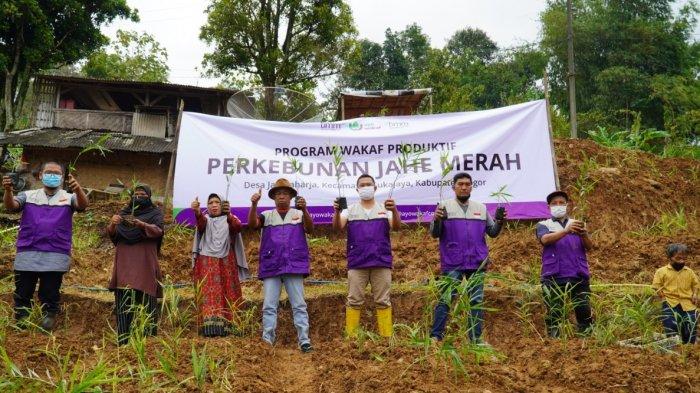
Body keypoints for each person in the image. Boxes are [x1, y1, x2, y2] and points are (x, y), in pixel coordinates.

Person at [3, 161, 88, 331]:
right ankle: (22, 318)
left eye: (57, 173)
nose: (53, 175)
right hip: (28, 249)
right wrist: (8, 190)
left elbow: (83, 206)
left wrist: (78, 189)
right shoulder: (29, 196)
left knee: (50, 290)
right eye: (49, 172)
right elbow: (11, 206)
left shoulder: (69, 197)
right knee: (23, 289)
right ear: (40, 175)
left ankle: (49, 316)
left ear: (62, 177)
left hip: (56, 252)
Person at [429, 172, 505, 344]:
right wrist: (437, 219)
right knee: (446, 298)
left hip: (477, 262)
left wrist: (500, 222)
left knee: (476, 300)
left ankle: (476, 339)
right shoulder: (444, 206)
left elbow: (492, 233)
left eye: (467, 184)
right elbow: (435, 233)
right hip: (453, 261)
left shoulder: (481, 208)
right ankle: (435, 336)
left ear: (471, 186)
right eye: (460, 184)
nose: (464, 187)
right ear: (454, 187)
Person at [248, 178, 314, 352]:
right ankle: (267, 340)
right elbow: (252, 224)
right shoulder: (266, 216)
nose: (282, 197)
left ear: (291, 196)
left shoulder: (299, 214)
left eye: (285, 193)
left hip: (294, 265)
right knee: (269, 306)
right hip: (272, 266)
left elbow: (310, 228)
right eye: (278, 194)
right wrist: (254, 205)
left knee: (299, 305)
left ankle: (304, 340)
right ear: (274, 198)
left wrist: (305, 209)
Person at [332, 174, 401, 338]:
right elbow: (337, 227)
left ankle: (386, 337)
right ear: (357, 189)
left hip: (381, 261)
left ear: (375, 188)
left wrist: (395, 210)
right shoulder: (350, 210)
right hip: (357, 262)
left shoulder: (385, 209)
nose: (365, 187)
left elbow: (396, 227)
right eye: (362, 185)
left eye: (368, 184)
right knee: (354, 300)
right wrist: (336, 211)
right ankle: (352, 338)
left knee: (383, 301)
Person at [106, 184, 164, 345]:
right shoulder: (123, 214)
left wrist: (141, 224)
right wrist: (112, 223)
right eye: (136, 193)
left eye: (142, 194)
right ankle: (123, 341)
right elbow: (113, 235)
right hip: (125, 263)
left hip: (145, 262)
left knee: (147, 302)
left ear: (149, 196)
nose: (138, 196)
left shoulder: (155, 213)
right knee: (124, 302)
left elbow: (159, 231)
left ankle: (149, 343)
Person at [535, 190, 594, 338]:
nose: (558, 206)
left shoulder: (578, 224)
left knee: (583, 310)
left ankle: (586, 341)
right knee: (554, 312)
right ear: (549, 206)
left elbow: (590, 246)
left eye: (561, 203)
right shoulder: (543, 224)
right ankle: (555, 342)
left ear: (567, 205)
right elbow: (545, 240)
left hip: (577, 274)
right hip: (554, 275)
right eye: (554, 203)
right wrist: (566, 231)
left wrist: (584, 234)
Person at [191, 193, 250, 337]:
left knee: (228, 289)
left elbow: (237, 227)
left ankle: (231, 327)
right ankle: (210, 330)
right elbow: (201, 224)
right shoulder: (205, 220)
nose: (214, 205)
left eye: (217, 202)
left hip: (225, 261)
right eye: (210, 202)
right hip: (206, 261)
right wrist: (197, 212)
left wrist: (228, 214)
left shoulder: (230, 219)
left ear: (222, 204)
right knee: (208, 293)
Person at [652, 243, 698, 344]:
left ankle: (689, 349)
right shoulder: (661, 272)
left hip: (688, 304)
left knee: (691, 327)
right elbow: (656, 286)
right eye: (678, 258)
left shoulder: (689, 272)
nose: (681, 261)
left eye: (684, 258)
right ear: (670, 257)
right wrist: (663, 298)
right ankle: (673, 350)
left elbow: (696, 284)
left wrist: (695, 294)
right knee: (670, 327)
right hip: (670, 303)